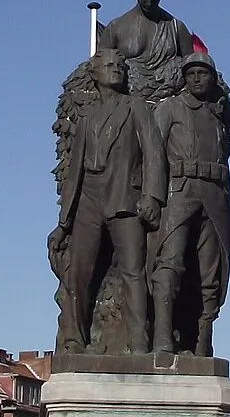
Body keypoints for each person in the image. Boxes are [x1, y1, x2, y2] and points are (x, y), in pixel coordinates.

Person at [52, 48, 164, 352]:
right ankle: (74, 338)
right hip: (89, 196)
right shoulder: (87, 118)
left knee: (133, 270)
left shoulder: (135, 107)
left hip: (124, 195)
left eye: (119, 65)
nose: (115, 69)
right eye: (108, 65)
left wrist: (152, 196)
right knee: (78, 270)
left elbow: (154, 153)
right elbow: (74, 172)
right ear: (96, 73)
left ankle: (139, 341)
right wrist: (65, 222)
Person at [151, 52, 230, 356]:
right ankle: (162, 336)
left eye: (204, 74)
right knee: (169, 263)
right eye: (192, 74)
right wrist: (150, 196)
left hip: (214, 197)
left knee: (210, 275)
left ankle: (202, 342)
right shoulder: (170, 109)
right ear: (183, 78)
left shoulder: (217, 116)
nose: (198, 79)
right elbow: (151, 154)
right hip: (178, 192)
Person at [97, 0, 197, 103]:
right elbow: (100, 68)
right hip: (127, 103)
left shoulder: (176, 28)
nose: (149, 3)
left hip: (169, 104)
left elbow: (192, 71)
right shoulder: (116, 27)